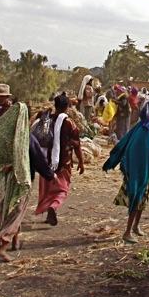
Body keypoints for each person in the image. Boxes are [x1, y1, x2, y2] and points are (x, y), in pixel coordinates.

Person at [0, 102, 45, 263]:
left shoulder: (0, 137)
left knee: (8, 211)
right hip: (18, 181)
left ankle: (15, 240)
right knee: (16, 211)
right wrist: (50, 174)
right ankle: (1, 249)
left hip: (0, 182)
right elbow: (38, 157)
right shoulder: (24, 139)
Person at [103, 97, 149, 243]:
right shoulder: (146, 129)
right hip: (136, 172)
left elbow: (148, 148)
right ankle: (127, 232)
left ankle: (136, 226)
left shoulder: (145, 126)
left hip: (142, 171)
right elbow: (138, 147)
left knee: (142, 199)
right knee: (136, 198)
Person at [35, 93, 85, 226]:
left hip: (45, 162)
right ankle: (53, 206)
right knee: (62, 189)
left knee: (47, 188)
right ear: (67, 107)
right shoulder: (69, 123)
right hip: (63, 162)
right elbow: (77, 144)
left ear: (55, 106)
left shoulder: (47, 120)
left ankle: (48, 211)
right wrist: (81, 161)